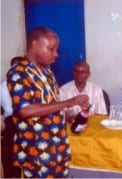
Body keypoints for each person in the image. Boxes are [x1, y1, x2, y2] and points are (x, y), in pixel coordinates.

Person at [6, 27, 89, 178]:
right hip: (36, 153)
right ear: (35, 44)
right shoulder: (19, 72)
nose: (56, 54)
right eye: (51, 49)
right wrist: (69, 102)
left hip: (58, 149)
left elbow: (50, 104)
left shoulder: (47, 72)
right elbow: (25, 111)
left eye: (56, 49)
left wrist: (67, 116)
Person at [1, 56, 23, 178]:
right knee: (10, 150)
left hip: (24, 119)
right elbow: (9, 110)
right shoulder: (4, 85)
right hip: (12, 120)